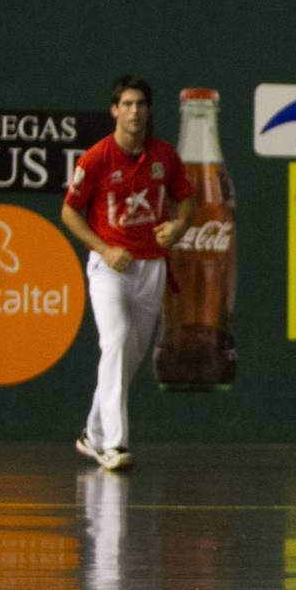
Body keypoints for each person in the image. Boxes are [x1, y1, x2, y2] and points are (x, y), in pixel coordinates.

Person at [61, 75, 194, 471]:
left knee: (129, 358)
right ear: (115, 110)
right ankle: (114, 445)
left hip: (152, 266)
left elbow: (186, 201)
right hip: (109, 269)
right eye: (128, 104)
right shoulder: (96, 158)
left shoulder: (164, 156)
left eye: (141, 104)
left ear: (148, 110)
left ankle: (92, 434)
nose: (135, 111)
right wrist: (104, 248)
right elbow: (69, 211)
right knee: (116, 341)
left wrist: (179, 227)